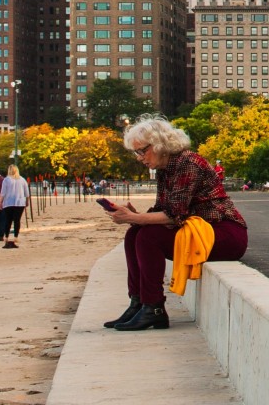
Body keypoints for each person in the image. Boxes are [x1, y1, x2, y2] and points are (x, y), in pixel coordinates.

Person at [104, 116, 248, 332]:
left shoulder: (187, 163)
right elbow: (164, 209)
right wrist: (137, 217)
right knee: (135, 234)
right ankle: (139, 302)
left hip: (225, 233)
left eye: (142, 151)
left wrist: (135, 218)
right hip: (199, 230)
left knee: (148, 237)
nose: (140, 158)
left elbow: (173, 215)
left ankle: (154, 308)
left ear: (159, 144)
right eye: (136, 153)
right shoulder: (166, 167)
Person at [0, 164, 29, 246]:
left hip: (8, 203)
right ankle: (16, 236)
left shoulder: (6, 180)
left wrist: (0, 202)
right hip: (20, 202)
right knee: (17, 220)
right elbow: (27, 193)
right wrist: (27, 201)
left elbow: (3, 193)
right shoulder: (22, 180)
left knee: (8, 220)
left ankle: (6, 236)